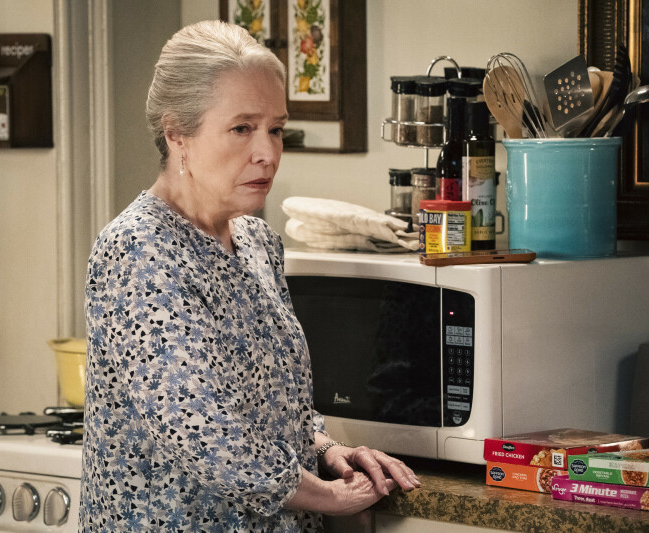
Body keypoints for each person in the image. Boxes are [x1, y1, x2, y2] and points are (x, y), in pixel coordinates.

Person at [80, 20, 420, 532]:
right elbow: (205, 433)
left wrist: (326, 449)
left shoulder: (257, 241)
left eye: (275, 129)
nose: (268, 153)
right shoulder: (138, 249)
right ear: (177, 134)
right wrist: (331, 497)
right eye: (242, 128)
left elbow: (273, 404)